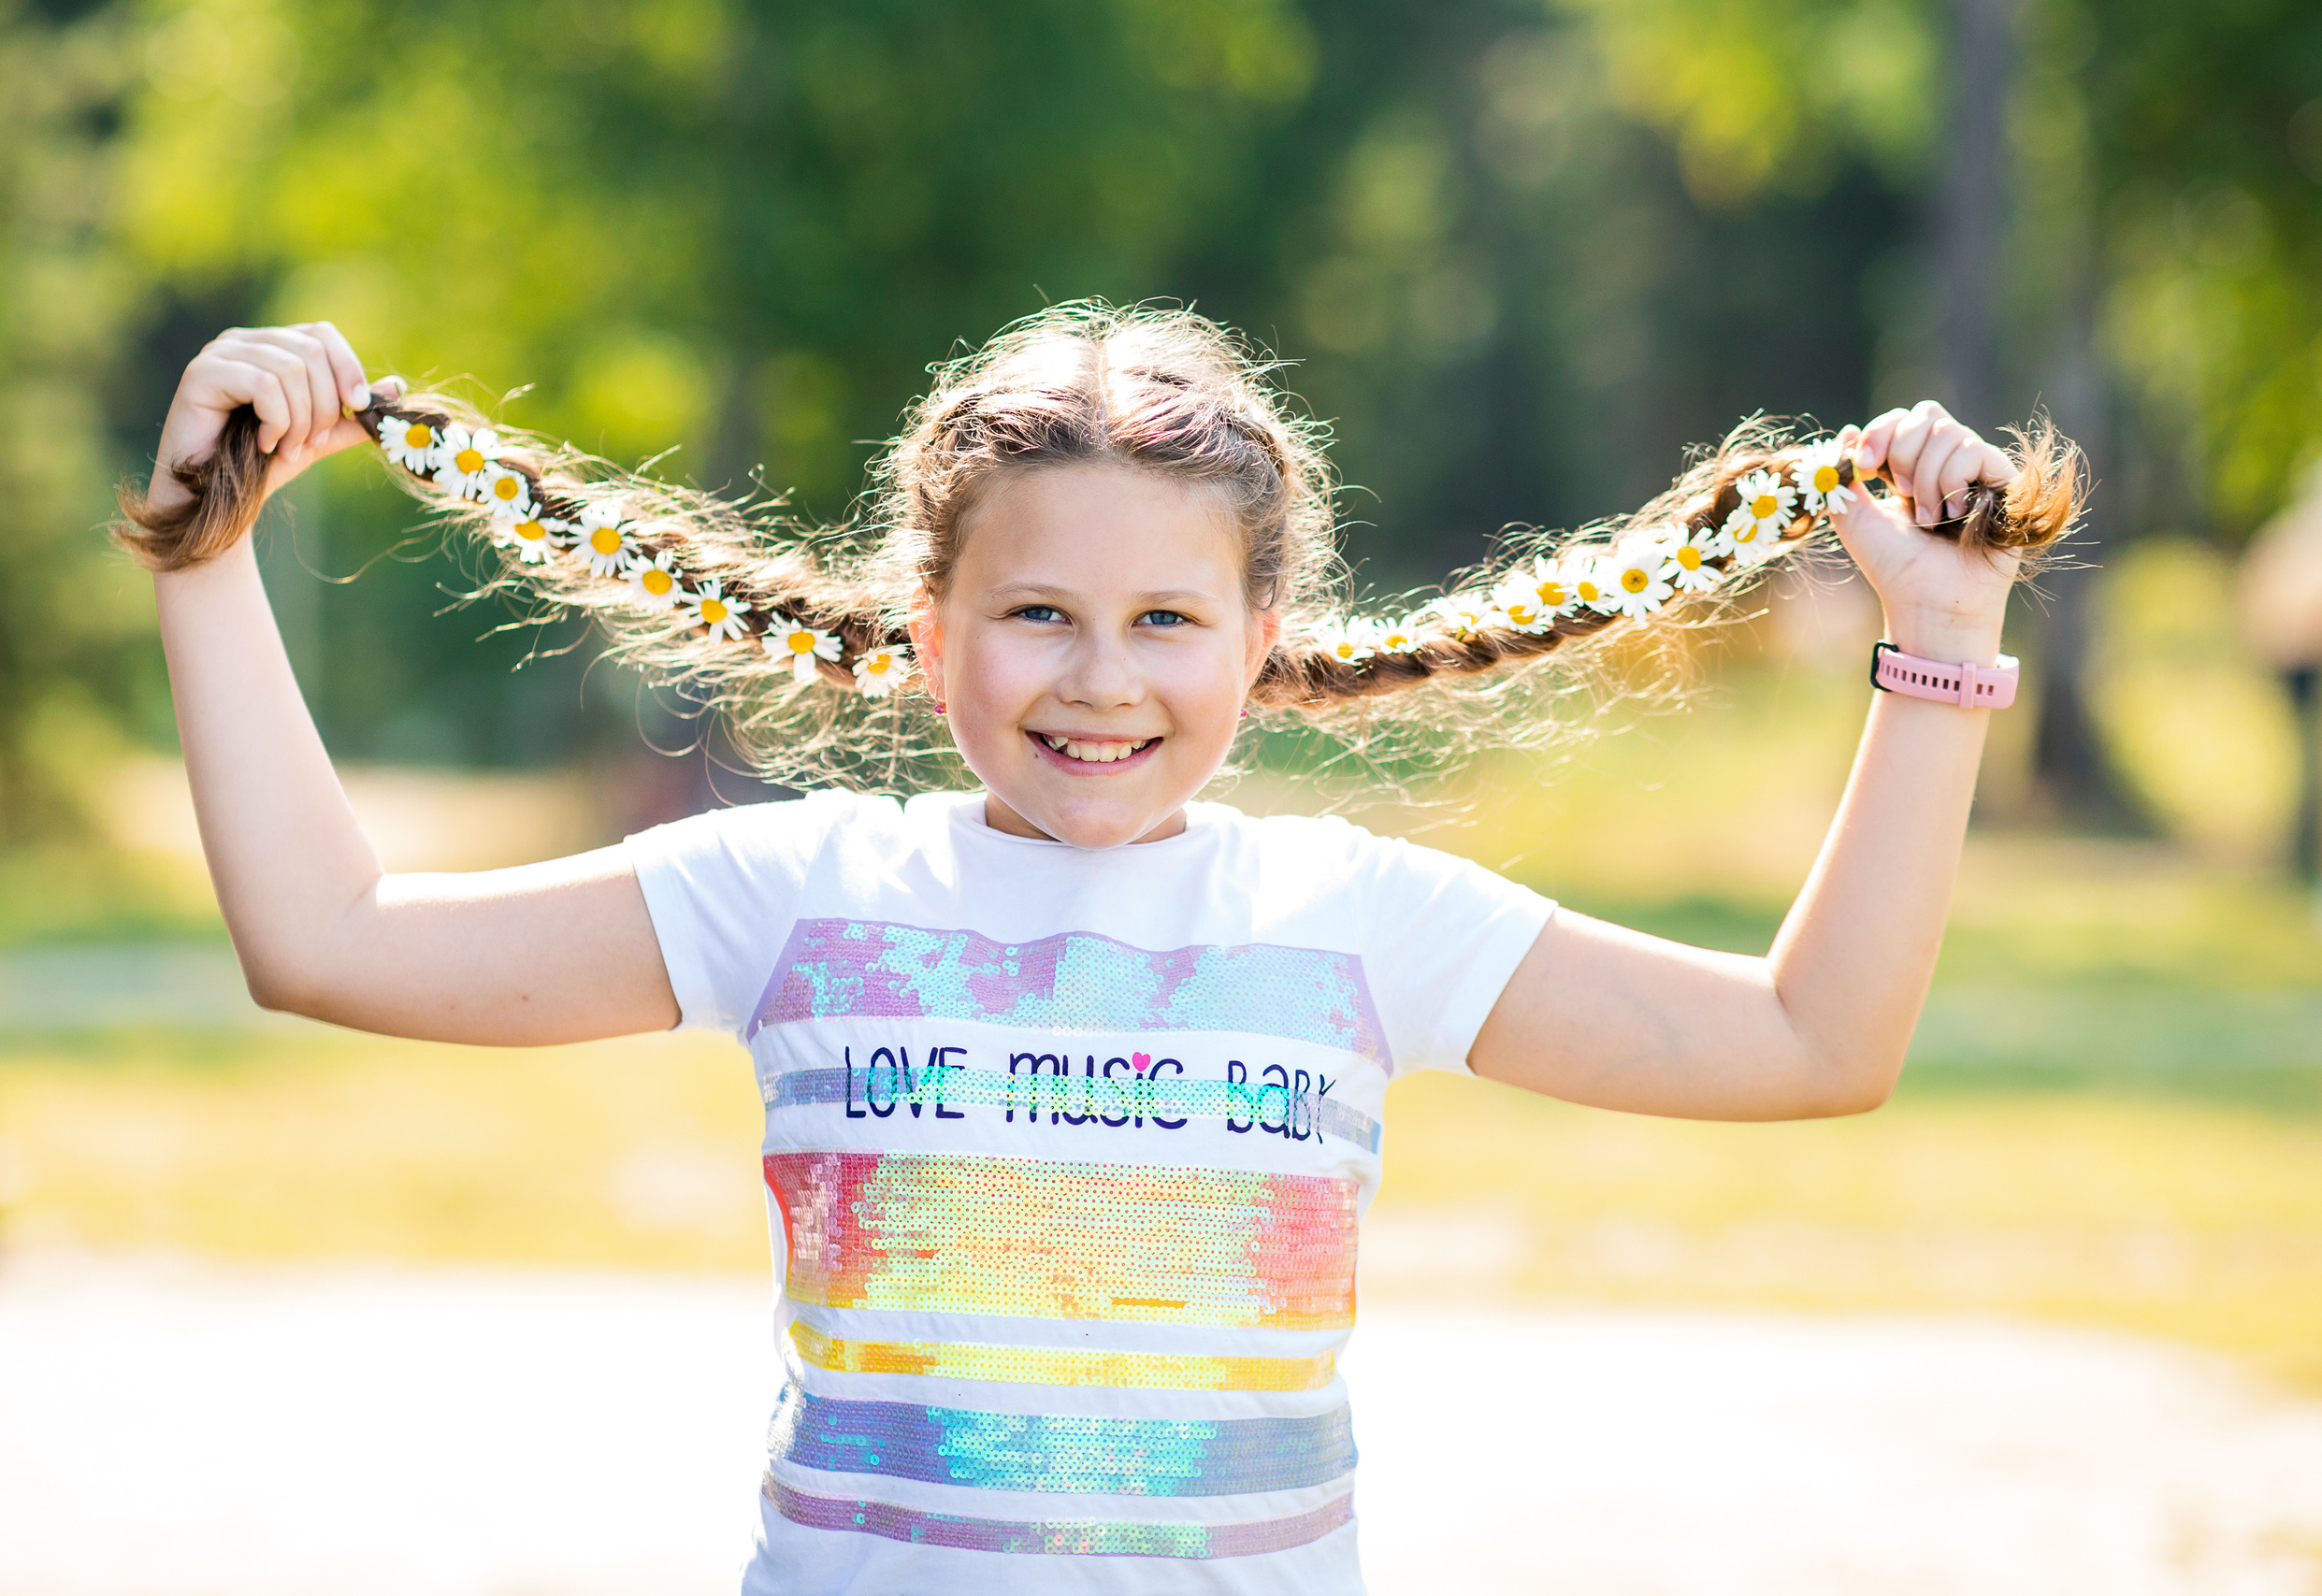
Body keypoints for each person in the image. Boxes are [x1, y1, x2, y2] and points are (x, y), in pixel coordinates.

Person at [119, 304, 2075, 1594]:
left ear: (1258, 627)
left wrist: (1945, 640)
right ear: (929, 614)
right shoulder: (804, 892)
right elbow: (325, 935)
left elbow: (1814, 1037)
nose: (1098, 679)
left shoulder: (1354, 922)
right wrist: (209, 563)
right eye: (1036, 610)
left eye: (1162, 619)